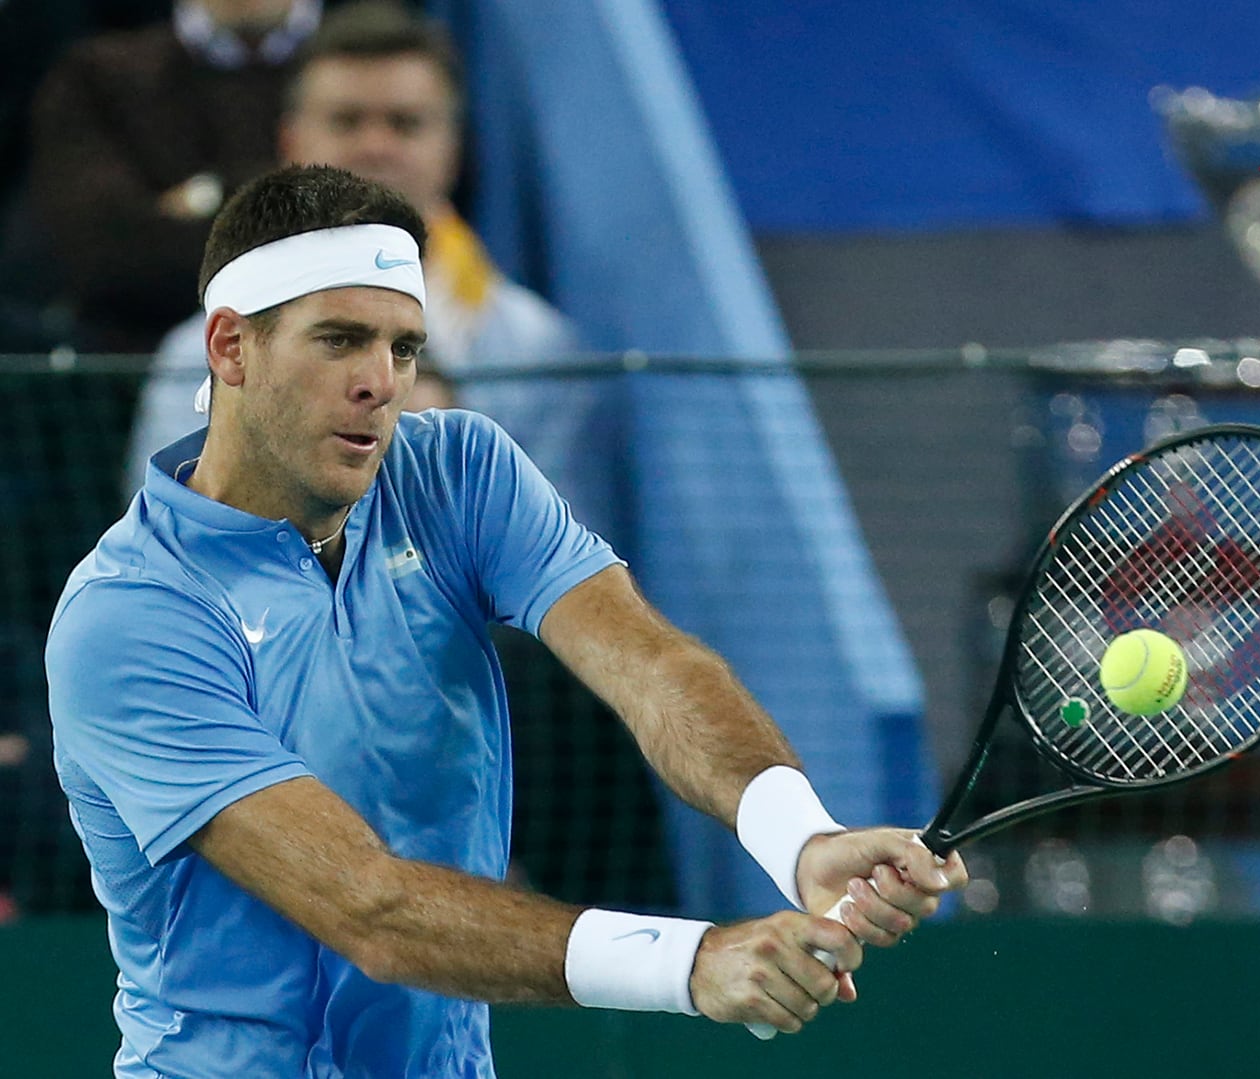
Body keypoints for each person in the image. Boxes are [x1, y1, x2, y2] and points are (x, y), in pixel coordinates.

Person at [45, 164, 965, 1077]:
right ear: (231, 347)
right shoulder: (129, 617)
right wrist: (693, 963)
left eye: (403, 348)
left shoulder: (458, 471)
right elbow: (369, 907)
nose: (381, 382)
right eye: (339, 340)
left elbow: (646, 664)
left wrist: (798, 833)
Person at [125, 2, 603, 528]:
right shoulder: (200, 354)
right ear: (291, 142)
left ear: (454, 148)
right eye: (347, 121)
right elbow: (172, 543)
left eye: (405, 124)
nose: (376, 147)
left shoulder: (539, 351)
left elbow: (557, 565)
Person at [26, 0, 321, 351]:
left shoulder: (379, 63)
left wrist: (208, 195)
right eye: (347, 122)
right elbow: (105, 257)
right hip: (130, 363)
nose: (373, 139)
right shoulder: (97, 75)